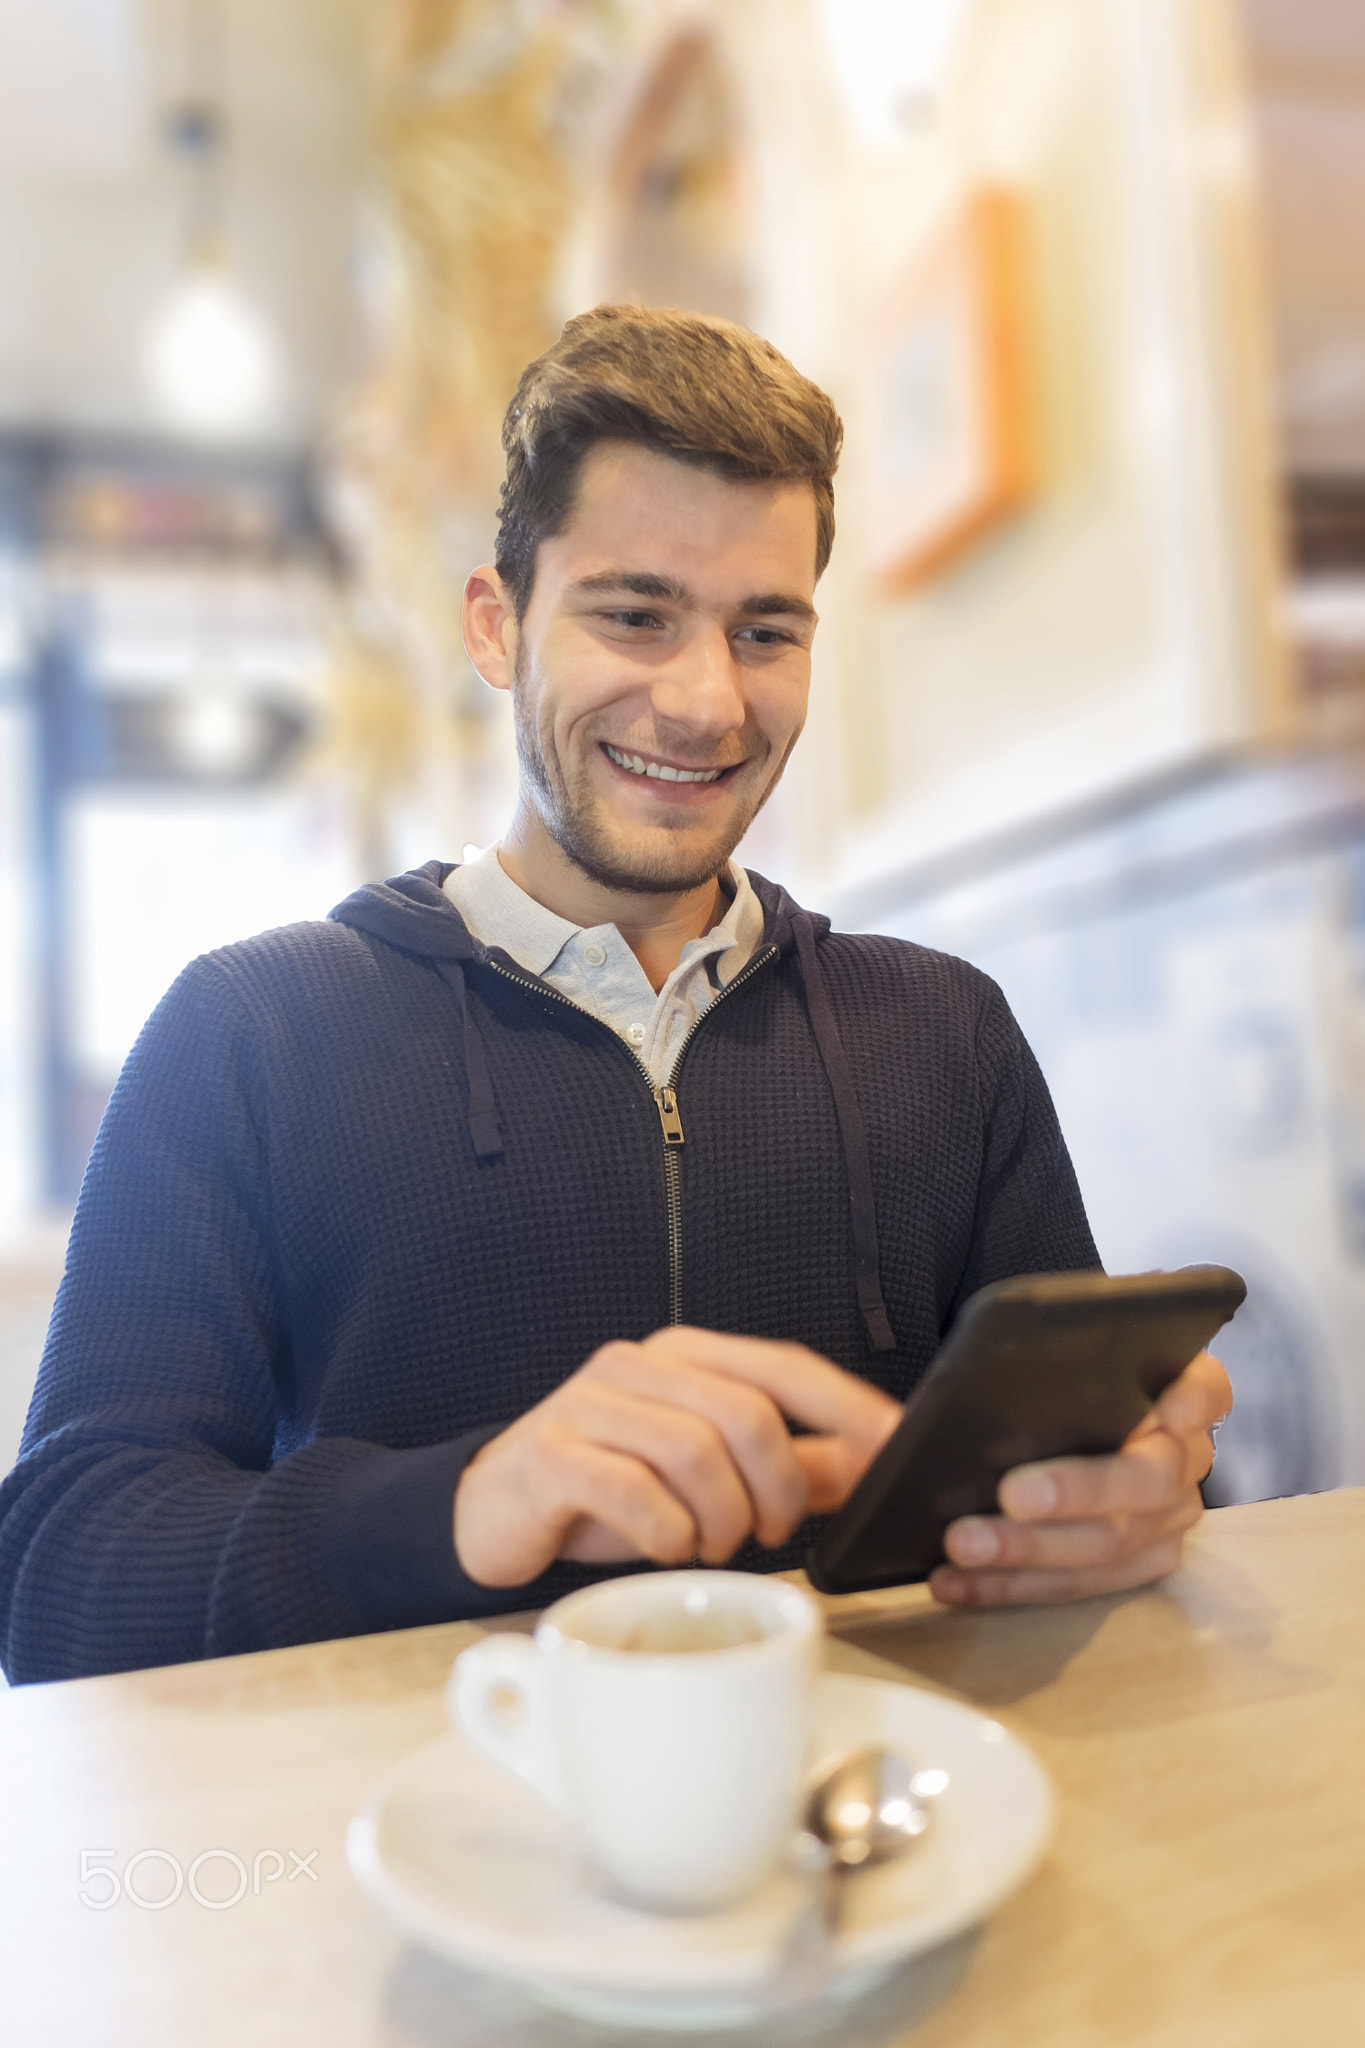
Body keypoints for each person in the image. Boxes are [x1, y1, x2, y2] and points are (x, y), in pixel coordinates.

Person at [0, 306, 1229, 1682]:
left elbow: (1062, 1480)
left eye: (763, 632)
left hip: (870, 1826)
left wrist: (1124, 1500)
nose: (704, 702)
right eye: (634, 614)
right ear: (495, 623)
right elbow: (60, 1580)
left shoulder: (945, 1033)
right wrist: (466, 1505)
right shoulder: (248, 1032)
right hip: (423, 1851)